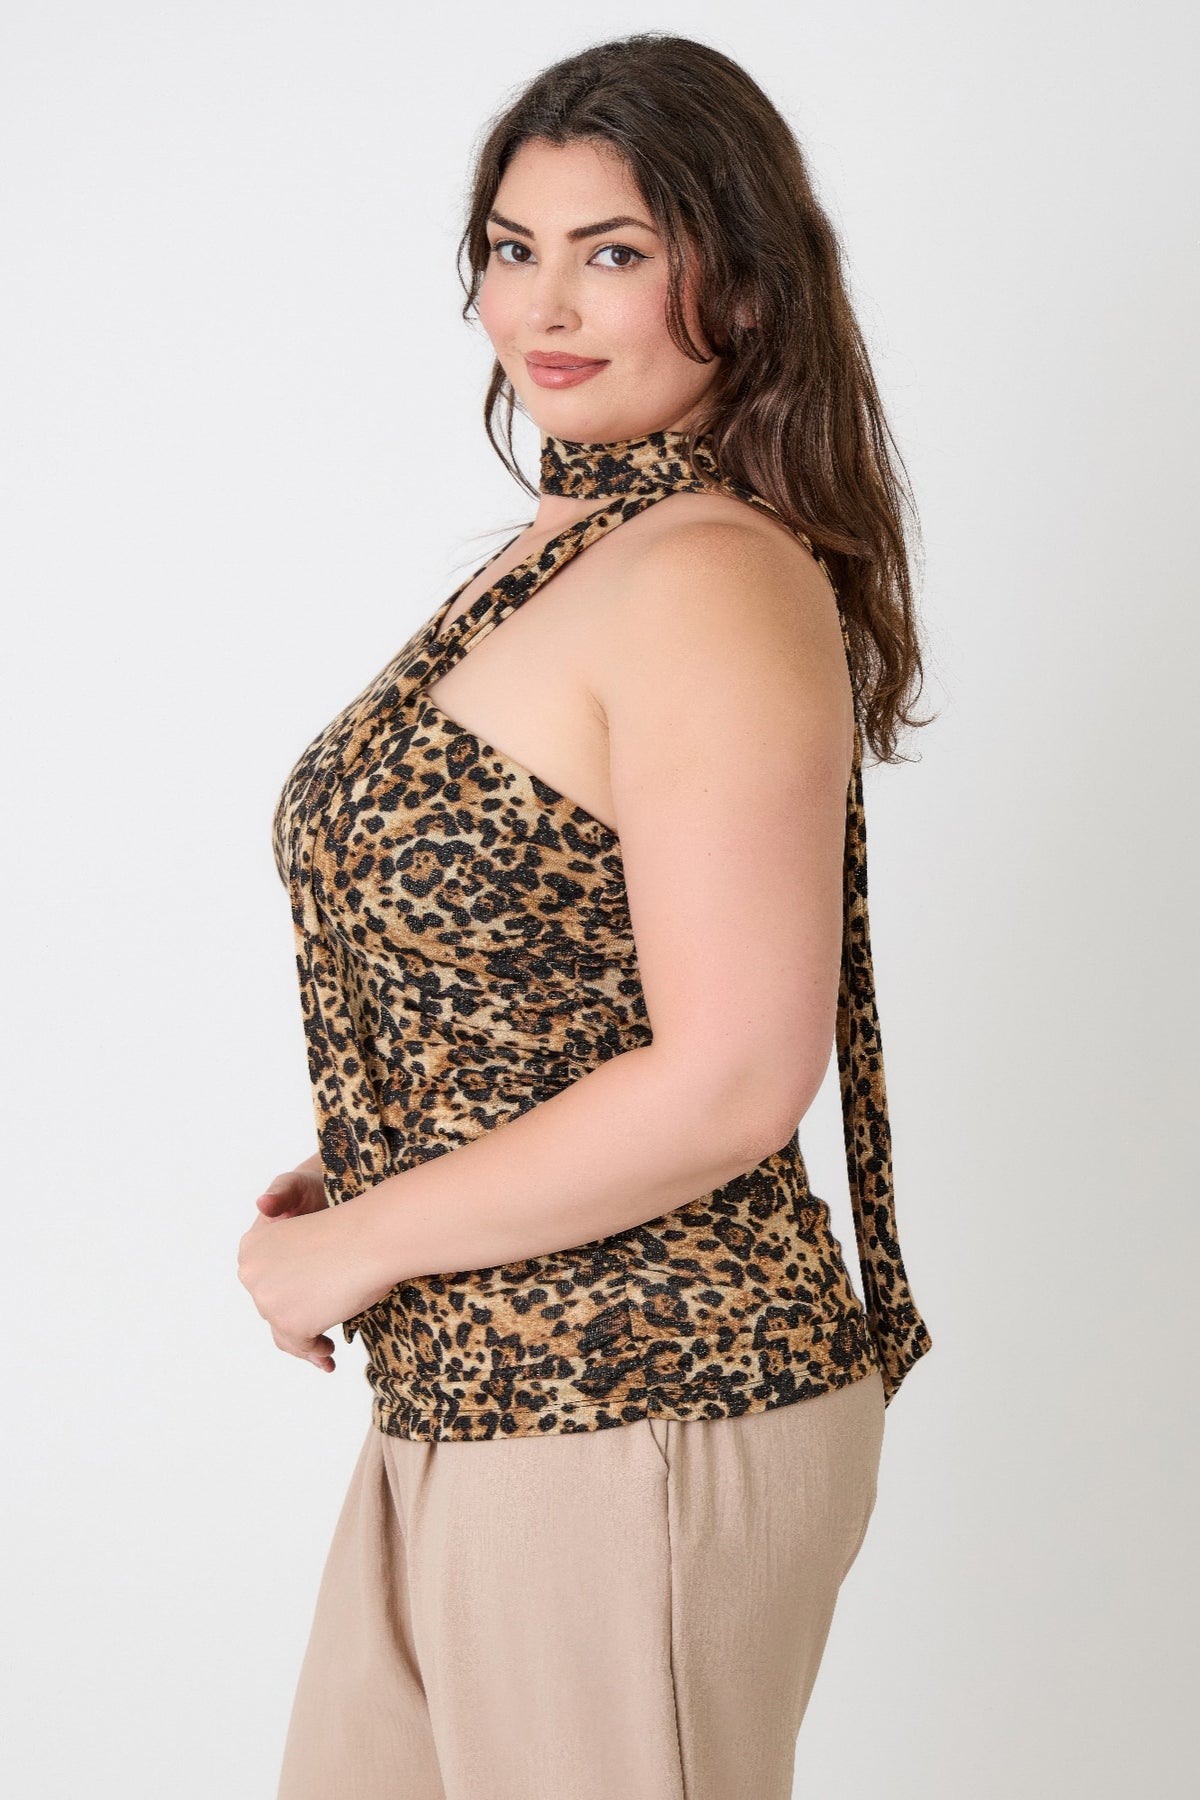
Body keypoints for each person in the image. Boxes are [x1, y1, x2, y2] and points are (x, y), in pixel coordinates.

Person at [238, 31, 934, 1800]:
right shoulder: (564, 554)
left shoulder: (706, 575)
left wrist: (357, 1243)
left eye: (612, 250)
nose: (541, 304)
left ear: (744, 286)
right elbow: (575, 978)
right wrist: (396, 1162)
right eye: (511, 247)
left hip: (643, 1403)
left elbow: (734, 1076)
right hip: (476, 1394)